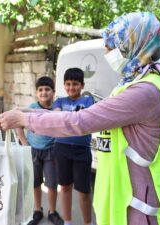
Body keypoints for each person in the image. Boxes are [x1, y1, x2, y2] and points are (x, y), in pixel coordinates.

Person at [0, 12, 160, 225]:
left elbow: (80, 121)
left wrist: (24, 119)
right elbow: (75, 115)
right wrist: (28, 112)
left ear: (133, 45)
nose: (107, 52)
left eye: (112, 46)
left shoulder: (144, 92)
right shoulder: (133, 84)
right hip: (127, 201)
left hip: (141, 209)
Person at [16, 76, 64, 225]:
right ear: (36, 93)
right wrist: (24, 142)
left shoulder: (57, 108)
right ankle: (37, 210)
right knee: (35, 182)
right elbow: (18, 123)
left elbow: (61, 122)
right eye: (40, 90)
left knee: (51, 183)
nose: (44, 92)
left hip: (51, 151)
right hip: (34, 151)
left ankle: (52, 211)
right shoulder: (32, 107)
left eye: (47, 89)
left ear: (53, 92)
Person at [52, 68, 94, 225]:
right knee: (64, 187)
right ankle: (67, 222)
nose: (71, 87)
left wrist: (66, 119)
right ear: (64, 85)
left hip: (82, 151)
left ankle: (88, 222)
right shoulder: (59, 101)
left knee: (84, 191)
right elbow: (57, 117)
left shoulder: (88, 101)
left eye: (75, 84)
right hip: (61, 148)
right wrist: (74, 119)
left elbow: (86, 119)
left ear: (82, 85)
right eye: (68, 84)